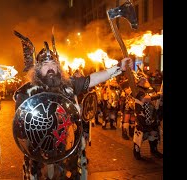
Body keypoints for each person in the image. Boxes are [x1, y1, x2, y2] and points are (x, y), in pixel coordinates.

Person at [13, 31, 133, 179]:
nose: (50, 67)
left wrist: (118, 68)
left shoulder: (68, 85)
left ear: (58, 68)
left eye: (53, 64)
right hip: (38, 151)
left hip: (67, 148)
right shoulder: (27, 91)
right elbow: (20, 126)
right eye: (45, 64)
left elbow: (92, 79)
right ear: (38, 69)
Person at [132, 71, 163, 160]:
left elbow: (156, 101)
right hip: (142, 117)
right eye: (142, 79)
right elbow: (144, 99)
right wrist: (157, 96)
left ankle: (154, 150)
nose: (145, 80)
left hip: (152, 116)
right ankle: (136, 152)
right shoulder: (136, 90)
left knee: (154, 132)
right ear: (138, 81)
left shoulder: (150, 89)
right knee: (140, 134)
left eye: (145, 79)